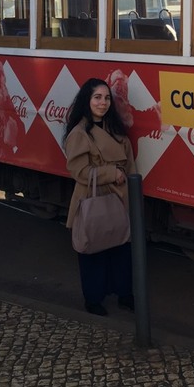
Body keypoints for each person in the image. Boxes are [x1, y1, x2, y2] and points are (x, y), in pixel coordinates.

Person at [63, 77, 136, 316]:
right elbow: (79, 171)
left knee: (120, 248)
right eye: (97, 97)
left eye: (106, 98)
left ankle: (124, 294)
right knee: (93, 248)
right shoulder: (79, 133)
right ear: (87, 100)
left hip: (119, 195)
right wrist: (110, 173)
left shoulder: (115, 129)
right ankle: (93, 299)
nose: (103, 103)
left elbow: (130, 163)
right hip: (93, 196)